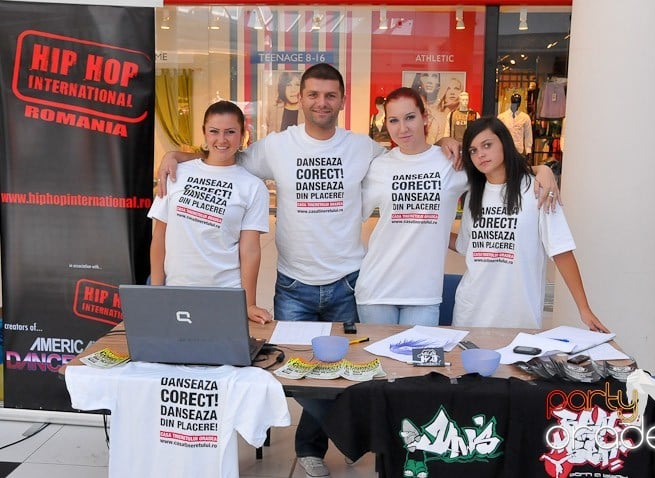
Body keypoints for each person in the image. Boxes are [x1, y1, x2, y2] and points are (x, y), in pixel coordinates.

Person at [156, 63, 467, 478]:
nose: (322, 102)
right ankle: (341, 435)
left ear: (342, 100)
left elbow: (409, 152)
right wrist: (177, 155)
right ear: (300, 98)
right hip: (293, 285)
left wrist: (445, 140)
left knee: (352, 372)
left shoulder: (362, 148)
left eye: (330, 95)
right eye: (314, 94)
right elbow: (223, 153)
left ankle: (322, 446)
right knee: (296, 374)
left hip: (348, 282)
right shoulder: (276, 147)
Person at [449, 116, 609, 333]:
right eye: (473, 151)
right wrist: (426, 231)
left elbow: (561, 251)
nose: (481, 155)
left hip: (518, 318)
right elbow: (465, 246)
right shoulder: (473, 196)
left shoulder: (537, 190)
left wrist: (584, 308)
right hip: (470, 316)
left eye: (487, 145)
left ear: (504, 143)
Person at [148, 100, 272, 325]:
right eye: (214, 131)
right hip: (176, 292)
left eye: (230, 132)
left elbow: (250, 250)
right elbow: (159, 236)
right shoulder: (176, 173)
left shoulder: (253, 186)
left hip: (225, 295)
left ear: (243, 135)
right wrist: (156, 291)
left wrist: (248, 304)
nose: (222, 140)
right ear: (204, 133)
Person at [355, 87, 467, 325]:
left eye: (410, 117)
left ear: (425, 117)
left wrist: (542, 171)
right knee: (380, 363)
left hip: (424, 294)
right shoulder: (379, 166)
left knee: (419, 363)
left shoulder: (450, 162)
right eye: (394, 120)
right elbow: (348, 217)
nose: (402, 128)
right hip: (376, 290)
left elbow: (500, 174)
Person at [497, 93, 533, 159]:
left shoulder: (525, 117)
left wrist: (528, 150)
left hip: (519, 151)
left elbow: (528, 135)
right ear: (511, 102)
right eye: (514, 101)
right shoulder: (501, 117)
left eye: (518, 102)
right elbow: (498, 134)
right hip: (505, 150)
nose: (516, 104)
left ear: (520, 103)